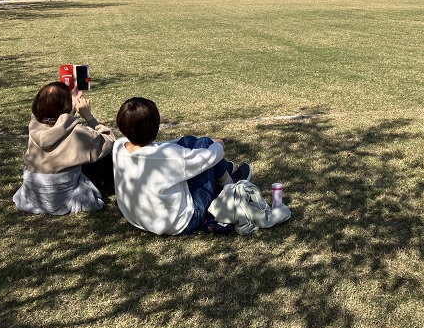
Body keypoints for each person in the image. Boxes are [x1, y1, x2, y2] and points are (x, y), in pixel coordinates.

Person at [112, 97, 251, 235]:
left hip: (139, 218)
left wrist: (184, 141)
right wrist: (219, 144)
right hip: (184, 220)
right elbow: (209, 156)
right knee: (205, 143)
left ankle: (222, 171)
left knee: (188, 140)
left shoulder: (118, 146)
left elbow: (157, 147)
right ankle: (229, 182)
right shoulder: (168, 156)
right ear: (155, 126)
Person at [13, 82, 116, 215]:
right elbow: (109, 140)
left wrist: (68, 106)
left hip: (34, 193)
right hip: (64, 194)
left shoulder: (34, 125)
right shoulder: (78, 133)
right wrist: (88, 116)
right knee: (105, 156)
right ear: (67, 108)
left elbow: (58, 124)